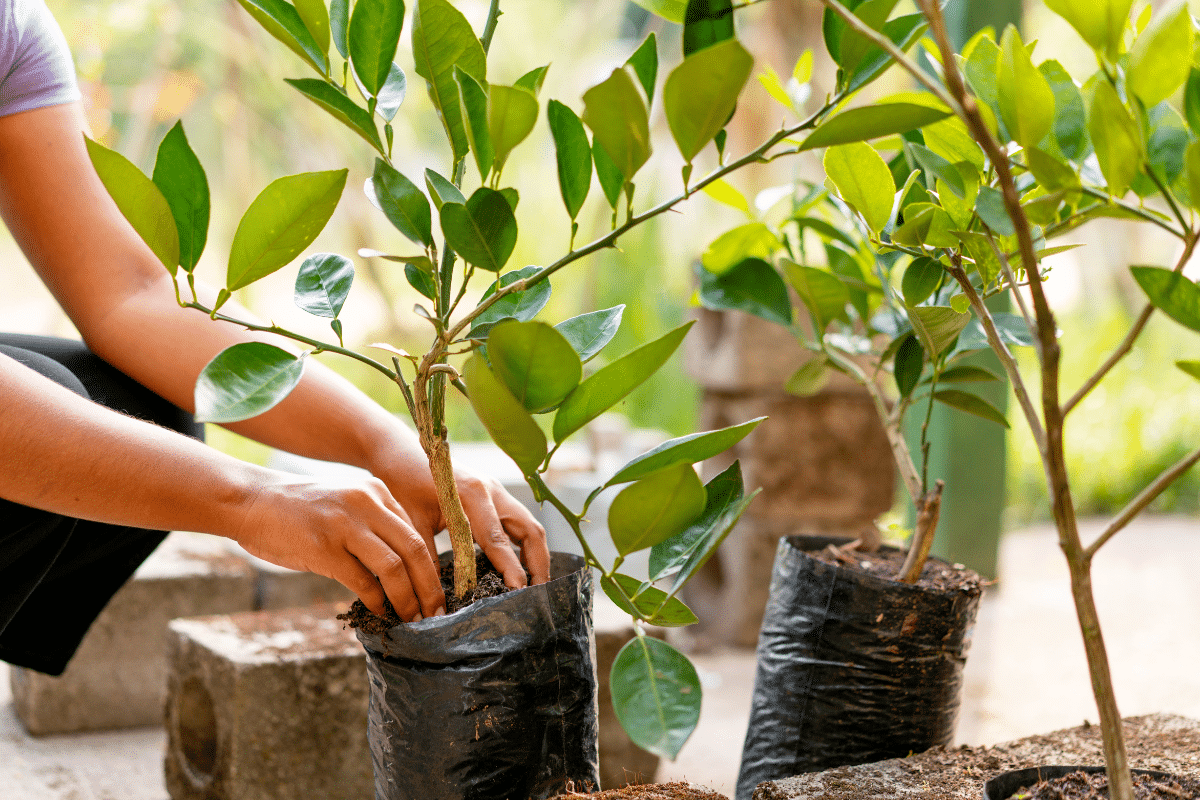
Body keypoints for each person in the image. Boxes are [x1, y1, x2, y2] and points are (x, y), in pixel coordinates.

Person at [0, 0, 549, 677]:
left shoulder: (12, 30)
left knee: (143, 411)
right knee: (64, 404)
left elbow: (127, 299)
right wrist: (252, 502)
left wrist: (387, 447)